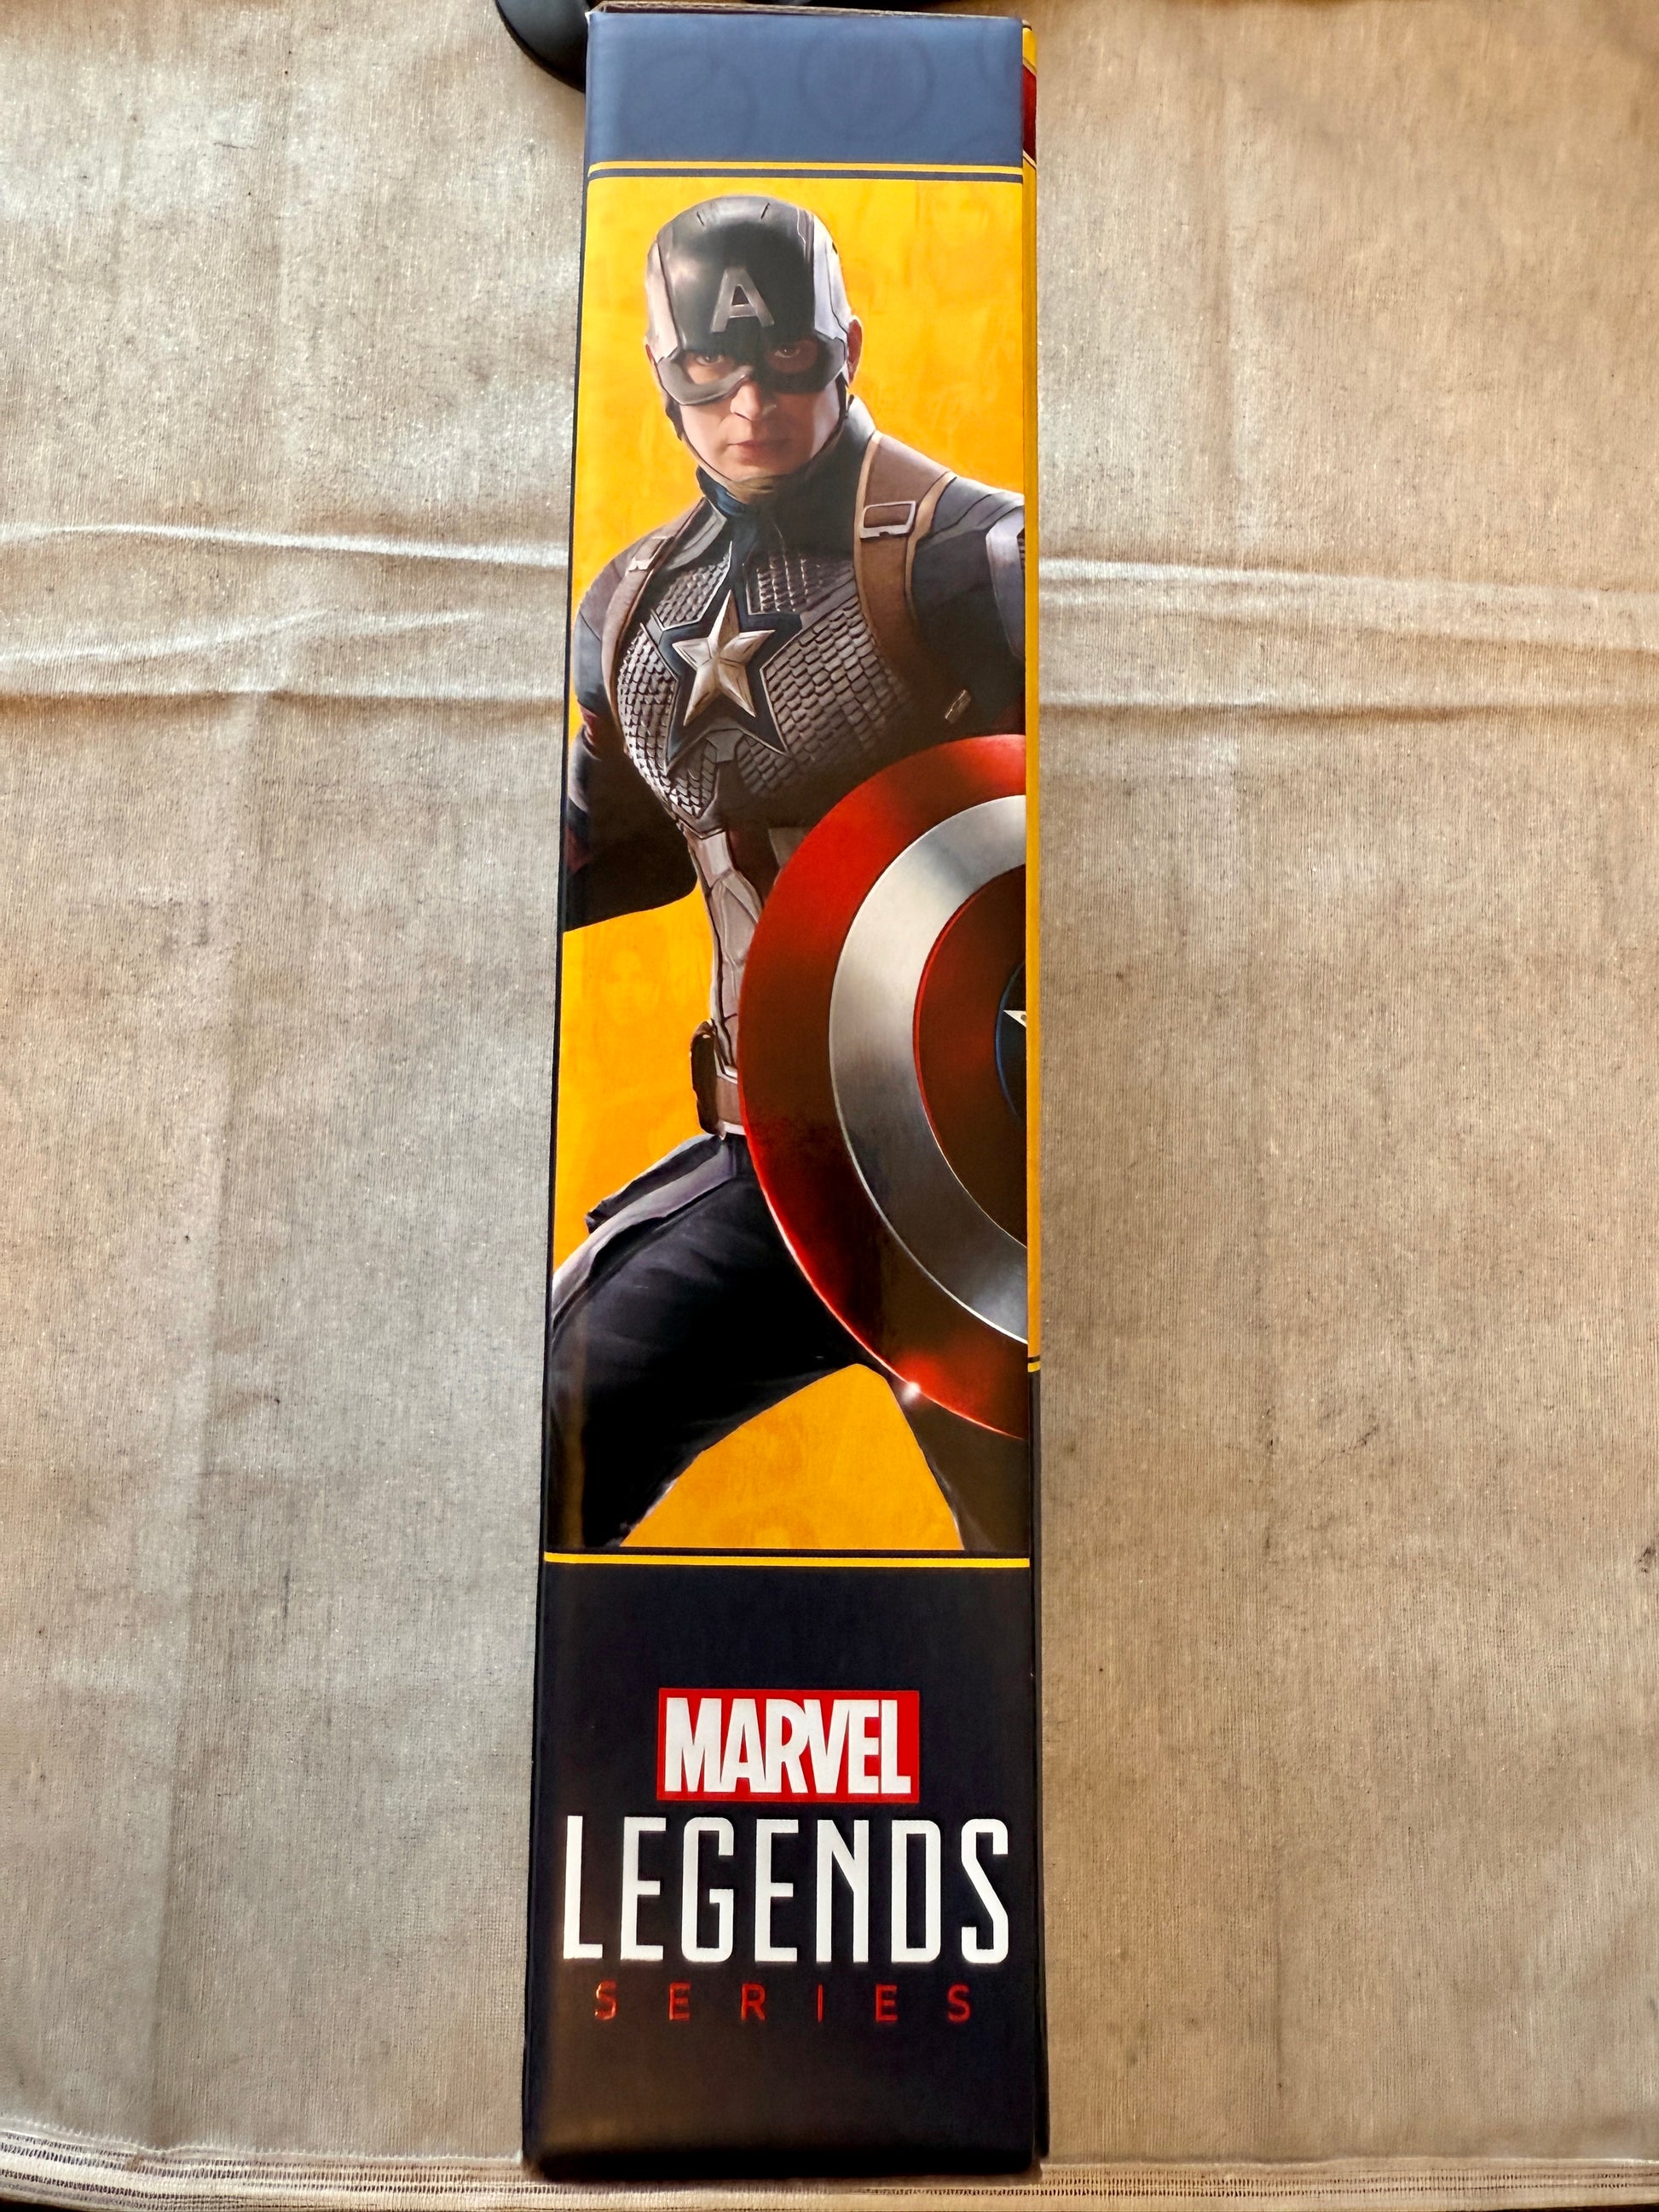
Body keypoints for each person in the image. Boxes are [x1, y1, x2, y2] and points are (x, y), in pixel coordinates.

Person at [547, 193, 1029, 1552]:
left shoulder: (981, 566)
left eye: (787, 361)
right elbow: (611, 846)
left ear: (846, 348)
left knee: (1057, 1550)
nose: (751, 404)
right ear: (665, 379)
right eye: (712, 370)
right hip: (777, 1161)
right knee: (553, 1428)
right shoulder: (636, 606)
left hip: (989, 1165)